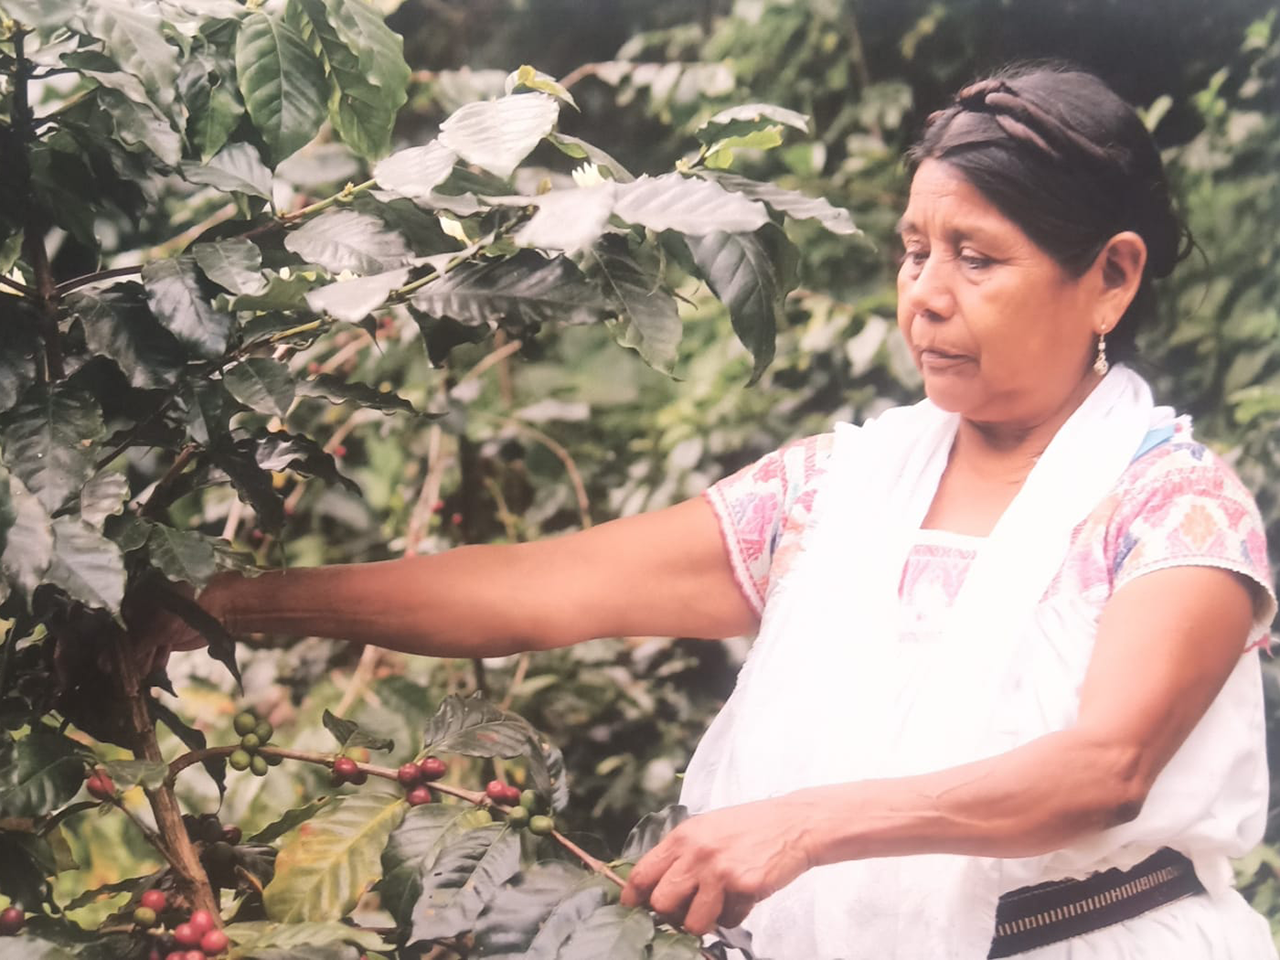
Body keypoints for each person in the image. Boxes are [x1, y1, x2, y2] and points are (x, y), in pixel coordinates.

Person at [151, 63, 1276, 959]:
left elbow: (1103, 768)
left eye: (976, 257)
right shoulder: (832, 493)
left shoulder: (1170, 510)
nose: (924, 293)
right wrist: (230, 603)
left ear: (1111, 278)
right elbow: (545, 587)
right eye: (914, 249)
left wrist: (802, 822)